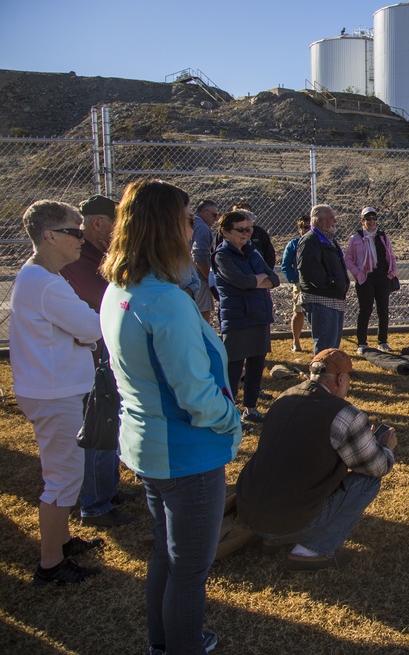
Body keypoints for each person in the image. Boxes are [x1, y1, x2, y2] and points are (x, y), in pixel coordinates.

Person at [100, 179, 241, 654]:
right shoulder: (167, 301)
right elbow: (195, 395)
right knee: (189, 569)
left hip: (148, 447)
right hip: (187, 456)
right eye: (186, 219)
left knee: (167, 553)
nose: (191, 228)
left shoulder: (120, 289)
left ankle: (162, 643)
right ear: (167, 226)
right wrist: (229, 420)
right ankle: (183, 645)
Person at [11, 200, 105, 586]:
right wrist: (85, 333)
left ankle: (62, 541)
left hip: (55, 387)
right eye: (74, 231)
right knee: (63, 478)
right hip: (55, 392)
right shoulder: (45, 283)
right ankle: (51, 563)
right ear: (49, 235)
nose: (81, 239)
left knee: (65, 471)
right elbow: (92, 327)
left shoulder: (43, 276)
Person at [235, 348, 397, 572]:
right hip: (287, 521)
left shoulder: (284, 398)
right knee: (369, 481)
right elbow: (378, 466)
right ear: (341, 379)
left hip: (250, 513)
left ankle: (273, 539)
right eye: (349, 379)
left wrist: (359, 438)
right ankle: (311, 552)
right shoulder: (345, 414)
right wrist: (385, 448)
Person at [60, 194, 140, 528]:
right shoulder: (79, 259)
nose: (119, 231)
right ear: (98, 223)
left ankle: (108, 488)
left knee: (110, 424)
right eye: (115, 224)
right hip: (89, 360)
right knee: (98, 426)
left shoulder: (97, 255)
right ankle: (94, 504)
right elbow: (109, 298)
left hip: (102, 354)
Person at [213, 210, 280, 425]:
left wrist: (254, 279)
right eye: (240, 230)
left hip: (259, 315)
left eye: (248, 229)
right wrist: (256, 280)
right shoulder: (222, 256)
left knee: (256, 363)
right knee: (233, 368)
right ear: (225, 232)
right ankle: (230, 412)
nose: (246, 234)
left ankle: (250, 408)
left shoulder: (252, 251)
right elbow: (240, 281)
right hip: (237, 318)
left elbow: (273, 278)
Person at [345, 206, 399, 353]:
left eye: (374, 218)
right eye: (368, 219)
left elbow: (391, 256)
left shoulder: (382, 236)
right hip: (365, 279)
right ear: (362, 221)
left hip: (383, 278)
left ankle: (382, 341)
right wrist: (357, 273)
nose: (371, 221)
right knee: (365, 310)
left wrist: (391, 273)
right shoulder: (356, 238)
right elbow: (348, 258)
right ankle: (362, 343)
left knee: (383, 310)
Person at [297, 204, 349, 354]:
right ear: (319, 221)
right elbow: (310, 271)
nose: (335, 221)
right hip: (321, 299)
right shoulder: (310, 240)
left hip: (334, 299)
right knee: (325, 345)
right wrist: (331, 284)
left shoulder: (328, 239)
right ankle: (321, 374)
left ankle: (331, 374)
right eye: (331, 218)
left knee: (332, 345)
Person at [280, 214, 311, 352]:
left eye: (311, 227)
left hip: (318, 283)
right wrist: (295, 279)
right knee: (299, 312)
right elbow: (285, 265)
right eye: (305, 227)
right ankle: (296, 341)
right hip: (300, 283)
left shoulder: (321, 241)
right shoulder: (293, 244)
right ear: (299, 229)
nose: (308, 229)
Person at [191, 199, 220, 323]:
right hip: (199, 279)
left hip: (186, 277)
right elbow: (199, 254)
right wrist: (209, 277)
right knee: (202, 317)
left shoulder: (191, 224)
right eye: (214, 215)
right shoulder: (202, 227)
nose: (215, 219)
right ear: (203, 211)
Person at [232, 202, 276, 269]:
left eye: (247, 214)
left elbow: (269, 255)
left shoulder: (259, 232)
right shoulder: (227, 234)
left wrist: (266, 273)